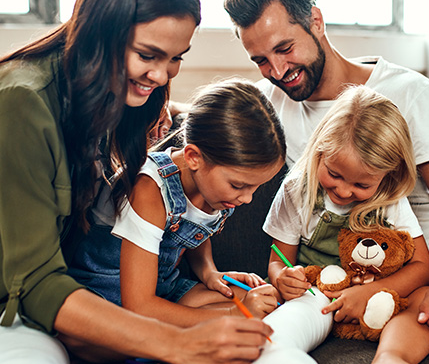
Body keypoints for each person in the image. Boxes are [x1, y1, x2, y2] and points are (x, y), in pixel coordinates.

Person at [0, 0, 272, 364]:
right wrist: (175, 341)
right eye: (149, 54)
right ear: (102, 30)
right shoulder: (21, 103)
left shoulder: (124, 99)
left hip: (62, 304)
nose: (162, 74)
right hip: (16, 311)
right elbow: (37, 284)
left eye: (176, 58)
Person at [224, 0, 429, 291]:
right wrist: (164, 110)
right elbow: (211, 119)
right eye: (261, 60)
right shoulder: (267, 104)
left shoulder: (411, 93)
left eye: (285, 48)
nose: (278, 71)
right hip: (329, 275)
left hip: (426, 266)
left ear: (316, 21)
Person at [234, 86, 429, 364]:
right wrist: (281, 276)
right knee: (302, 309)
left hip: (381, 299)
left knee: (425, 299)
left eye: (362, 186)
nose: (344, 191)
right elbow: (277, 259)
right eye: (333, 174)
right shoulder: (297, 189)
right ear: (319, 151)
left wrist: (371, 292)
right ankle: (276, 361)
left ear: (388, 176)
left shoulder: (390, 198)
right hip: (321, 296)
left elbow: (422, 268)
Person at [69, 78, 285, 323]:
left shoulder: (215, 190)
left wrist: (209, 272)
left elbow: (194, 230)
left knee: (264, 300)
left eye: (256, 187)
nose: (247, 198)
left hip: (165, 291)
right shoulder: (149, 189)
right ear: (194, 157)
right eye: (239, 185)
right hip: (108, 298)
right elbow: (138, 306)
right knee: (244, 312)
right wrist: (236, 313)